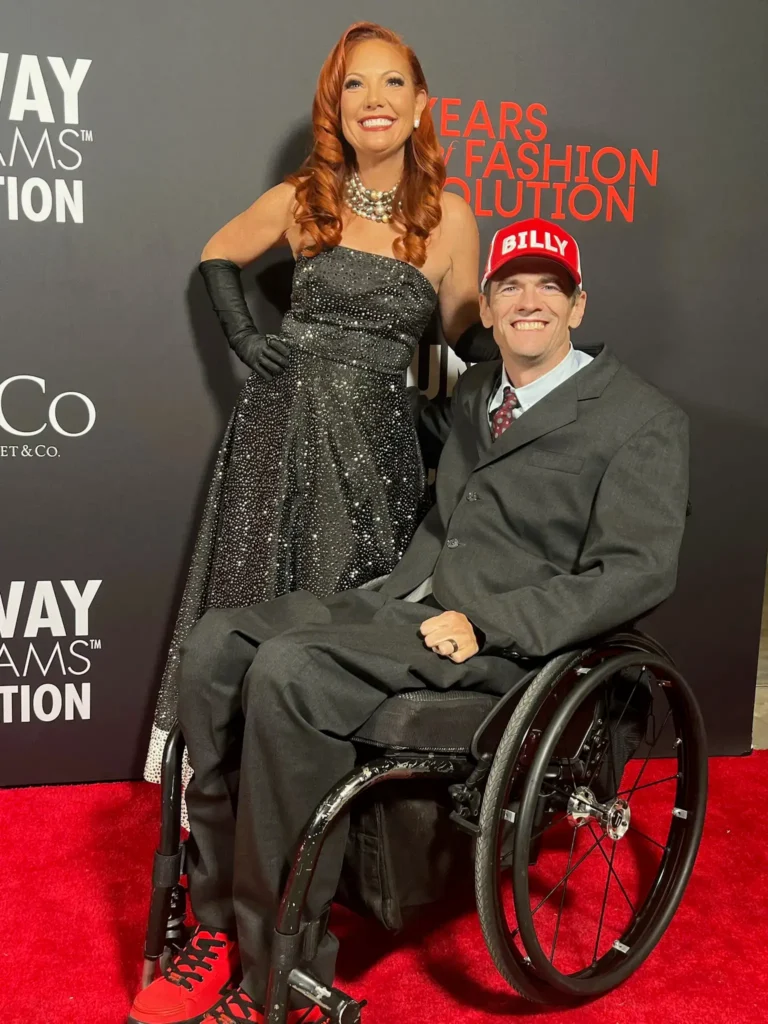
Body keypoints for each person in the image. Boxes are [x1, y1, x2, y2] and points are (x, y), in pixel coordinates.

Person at [128, 217, 690, 1024]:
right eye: (510, 287)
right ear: (485, 310)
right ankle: (218, 925)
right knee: (217, 642)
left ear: (577, 305)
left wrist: (491, 623)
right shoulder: (472, 393)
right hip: (405, 597)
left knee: (291, 672)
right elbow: (402, 441)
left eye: (550, 287)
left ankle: (280, 973)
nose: (530, 301)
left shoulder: (641, 419)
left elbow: (636, 572)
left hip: (503, 646)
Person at [144, 22, 497, 781]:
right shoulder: (306, 198)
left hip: (374, 444)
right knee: (253, 593)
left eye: (393, 82)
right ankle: (225, 777)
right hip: (279, 425)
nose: (375, 99)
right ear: (335, 107)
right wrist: (243, 337)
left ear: (421, 102)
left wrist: (548, 356)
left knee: (347, 605)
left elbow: (468, 334)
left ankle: (332, 786)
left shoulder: (451, 218)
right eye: (355, 85)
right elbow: (217, 253)